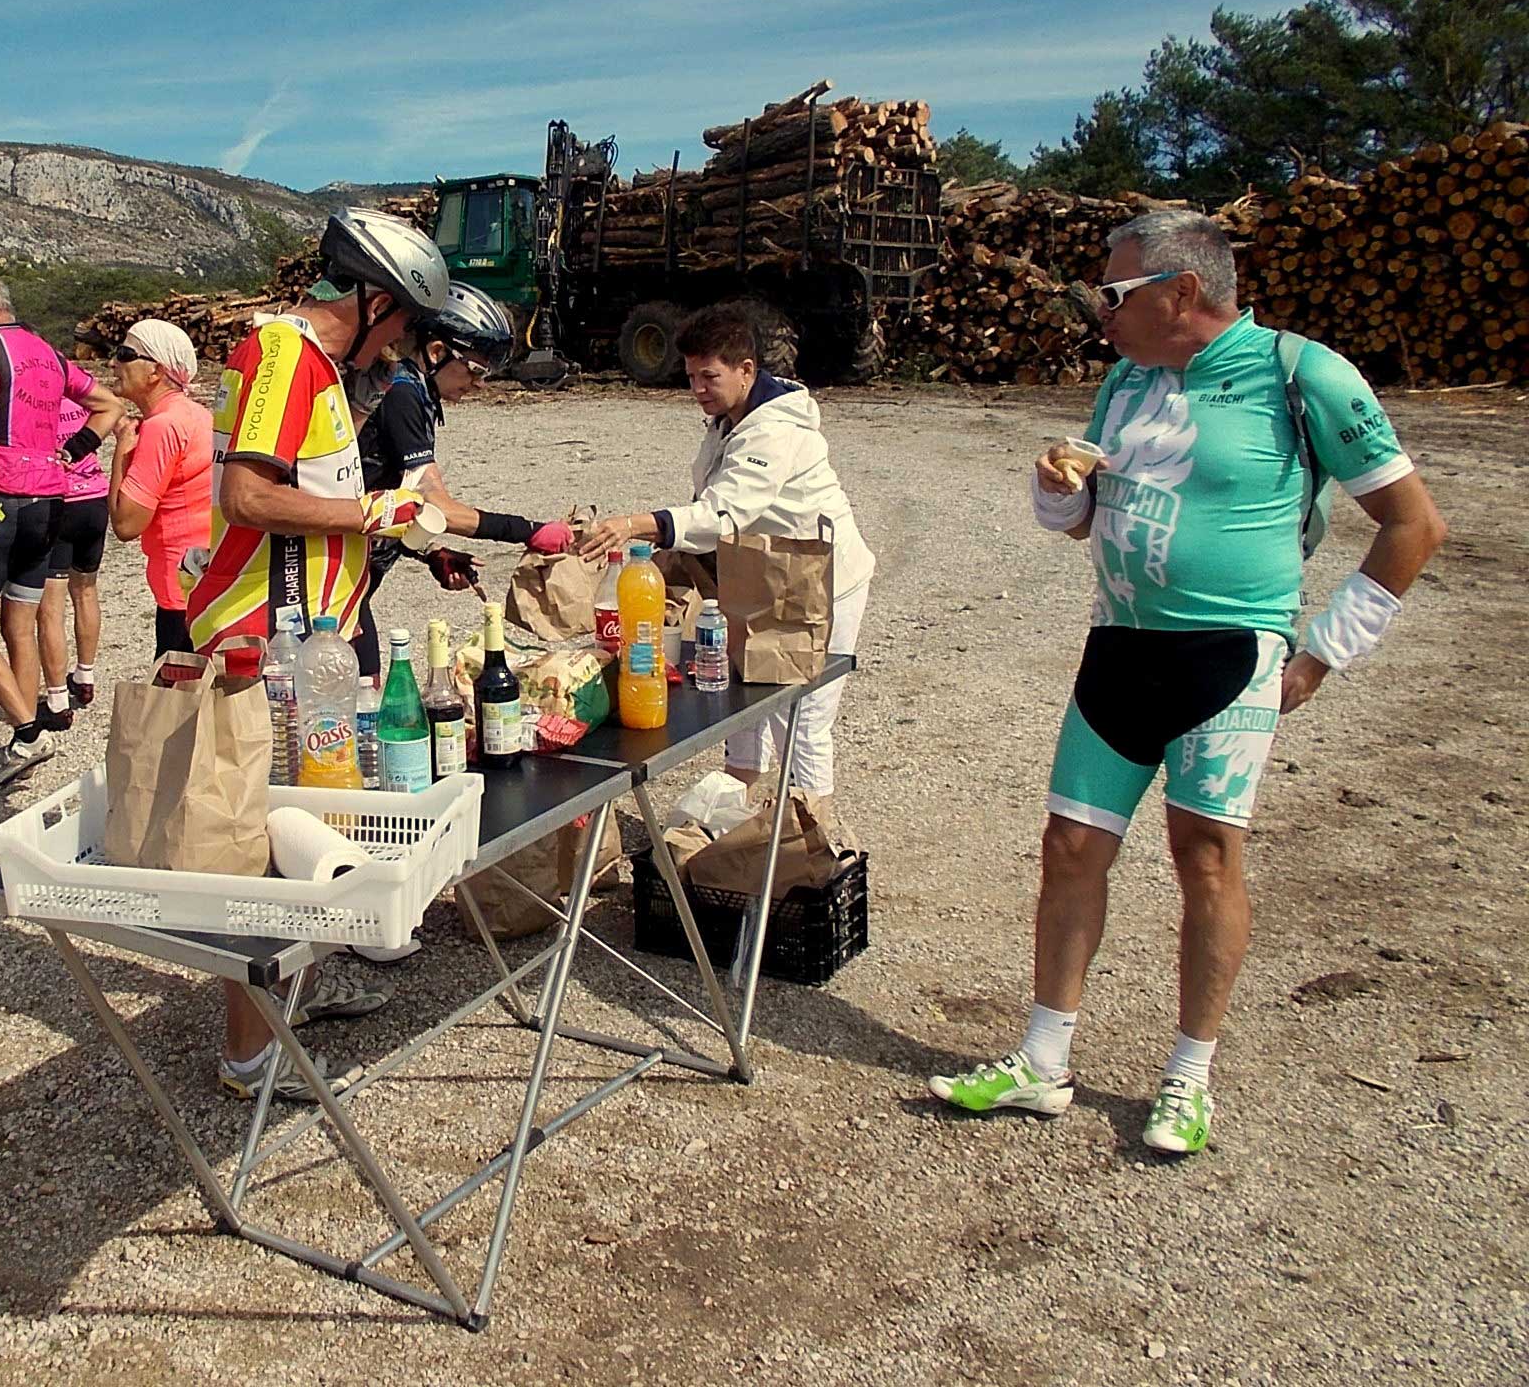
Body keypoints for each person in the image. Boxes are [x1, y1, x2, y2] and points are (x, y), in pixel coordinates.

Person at [929, 210, 1446, 1155]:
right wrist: (1058, 491)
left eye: (1115, 293)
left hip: (1229, 655)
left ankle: (1188, 1075)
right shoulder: (1124, 381)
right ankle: (1043, 1061)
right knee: (1070, 847)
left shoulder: (1301, 373)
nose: (1101, 312)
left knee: (1204, 856)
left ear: (1182, 291)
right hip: (1120, 646)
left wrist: (1322, 653)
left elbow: (1414, 524)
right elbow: (1083, 519)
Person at [187, 208, 450, 1101]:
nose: (403, 341)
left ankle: (295, 994)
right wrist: (371, 511)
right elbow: (248, 495)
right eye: (404, 321)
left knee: (314, 826)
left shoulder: (324, 370)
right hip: (261, 643)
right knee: (264, 851)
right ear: (374, 300)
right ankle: (249, 1059)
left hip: (308, 643)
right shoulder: (284, 354)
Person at [579, 301, 875, 814]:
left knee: (800, 717)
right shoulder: (728, 419)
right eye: (690, 376)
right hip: (763, 577)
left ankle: (810, 837)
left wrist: (636, 524)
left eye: (709, 377)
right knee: (746, 697)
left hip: (822, 583)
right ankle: (735, 817)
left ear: (746, 370)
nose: (697, 389)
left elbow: (724, 513)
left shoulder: (774, 431)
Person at [0, 271, 121, 785]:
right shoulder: (46, 351)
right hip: (51, 502)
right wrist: (76, 450)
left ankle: (28, 732)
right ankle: (22, 740)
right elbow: (109, 405)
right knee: (18, 625)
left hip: (4, 499)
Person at [350, 282, 574, 683]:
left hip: (355, 572)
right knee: (361, 693)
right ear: (437, 352)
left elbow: (389, 492)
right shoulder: (402, 394)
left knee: (365, 688)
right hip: (339, 576)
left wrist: (428, 550)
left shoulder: (414, 390)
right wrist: (529, 531)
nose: (480, 385)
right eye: (476, 370)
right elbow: (436, 505)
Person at [104, 320, 213, 659]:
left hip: (178, 585)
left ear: (156, 371)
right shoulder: (197, 414)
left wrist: (122, 450)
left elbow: (126, 524)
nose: (112, 363)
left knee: (175, 686)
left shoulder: (161, 427)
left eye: (125, 354)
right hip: (206, 575)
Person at [35, 387, 112, 727]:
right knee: (86, 591)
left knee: (50, 607)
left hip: (59, 501)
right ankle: (85, 675)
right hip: (94, 498)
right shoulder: (85, 394)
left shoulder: (35, 397)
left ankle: (56, 700)